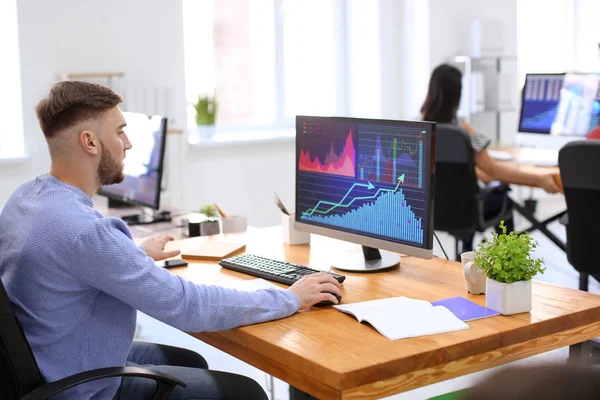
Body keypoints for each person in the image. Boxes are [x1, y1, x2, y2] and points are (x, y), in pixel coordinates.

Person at [0, 81, 342, 399]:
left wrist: (131, 254)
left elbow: (66, 259)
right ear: (89, 142)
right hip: (78, 387)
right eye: (120, 132)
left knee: (191, 361)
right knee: (245, 391)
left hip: (45, 362)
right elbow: (187, 305)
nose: (129, 143)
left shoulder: (25, 198)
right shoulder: (84, 231)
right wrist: (289, 298)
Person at [420, 64, 561, 251]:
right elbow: (492, 171)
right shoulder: (462, 132)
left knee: (465, 197)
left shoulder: (418, 129)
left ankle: (466, 251)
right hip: (466, 211)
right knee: (503, 198)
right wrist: (538, 178)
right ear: (457, 94)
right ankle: (507, 260)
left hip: (429, 211)